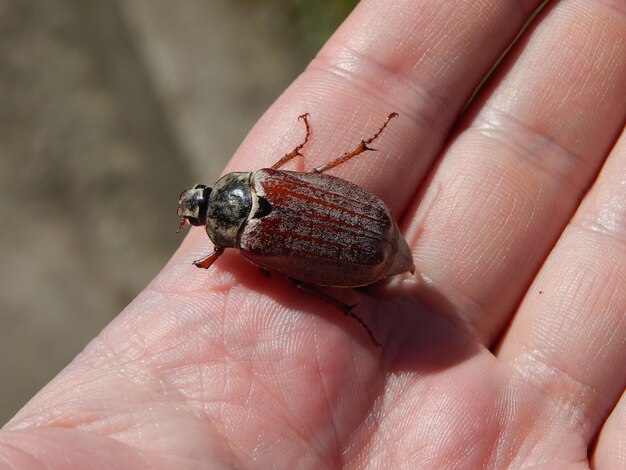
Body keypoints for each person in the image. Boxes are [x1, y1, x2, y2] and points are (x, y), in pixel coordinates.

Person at [1, 1, 624, 467]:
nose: (201, 212)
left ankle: (349, 289)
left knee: (298, 242)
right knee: (310, 181)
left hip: (368, 243)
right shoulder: (257, 201)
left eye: (200, 212)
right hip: (368, 235)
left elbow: (302, 206)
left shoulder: (242, 246)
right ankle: (352, 273)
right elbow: (313, 172)